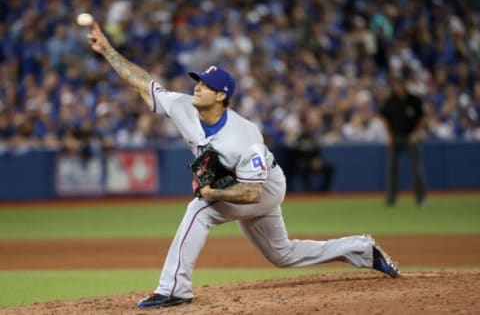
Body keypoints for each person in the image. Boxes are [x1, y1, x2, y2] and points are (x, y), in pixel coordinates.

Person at [86, 21, 400, 309]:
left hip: (264, 187)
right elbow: (143, 83)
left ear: (222, 95)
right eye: (197, 81)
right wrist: (108, 50)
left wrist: (211, 192)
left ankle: (174, 288)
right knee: (283, 255)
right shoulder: (183, 106)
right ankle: (362, 249)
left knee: (199, 210)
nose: (197, 87)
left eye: (205, 85)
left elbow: (252, 193)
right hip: (238, 185)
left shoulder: (243, 135)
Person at [379, 71, 427, 207]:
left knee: (416, 168)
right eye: (398, 83)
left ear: (406, 84)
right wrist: (388, 135)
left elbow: (423, 117)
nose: (400, 86)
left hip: (411, 136)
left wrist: (416, 133)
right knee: (392, 168)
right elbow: (383, 117)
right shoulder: (391, 100)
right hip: (395, 136)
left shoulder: (414, 99)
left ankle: (420, 198)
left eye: (402, 83)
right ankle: (390, 199)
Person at [287, 115, 335, 192]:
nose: (305, 128)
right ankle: (309, 190)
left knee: (330, 167)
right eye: (303, 126)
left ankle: (323, 190)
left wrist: (317, 160)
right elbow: (293, 154)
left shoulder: (312, 137)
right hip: (301, 162)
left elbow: (317, 151)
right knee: (303, 167)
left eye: (306, 126)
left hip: (313, 162)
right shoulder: (297, 138)